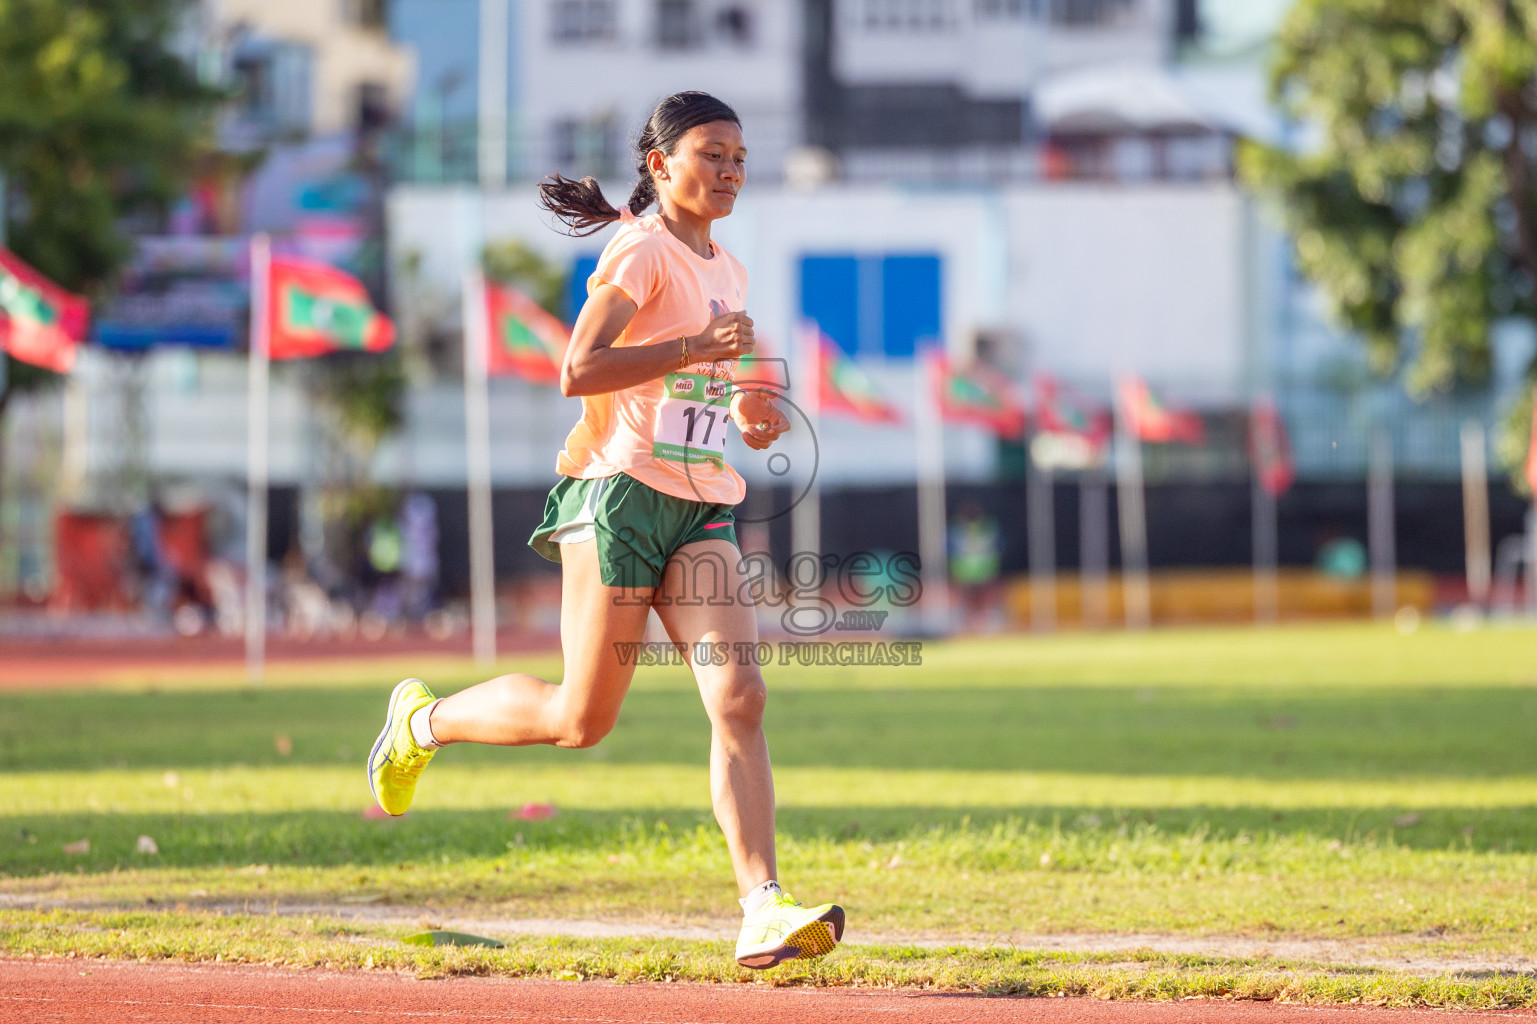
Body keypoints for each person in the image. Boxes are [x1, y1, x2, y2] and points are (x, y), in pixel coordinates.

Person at [367, 92, 844, 969]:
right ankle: (422, 722)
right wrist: (693, 351)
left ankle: (762, 908)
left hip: (699, 502)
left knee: (740, 697)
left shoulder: (726, 269)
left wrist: (754, 412)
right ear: (661, 164)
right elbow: (576, 369)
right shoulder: (641, 249)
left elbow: (723, 385)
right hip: (617, 495)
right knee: (578, 720)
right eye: (711, 153)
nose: (731, 169)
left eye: (740, 155)